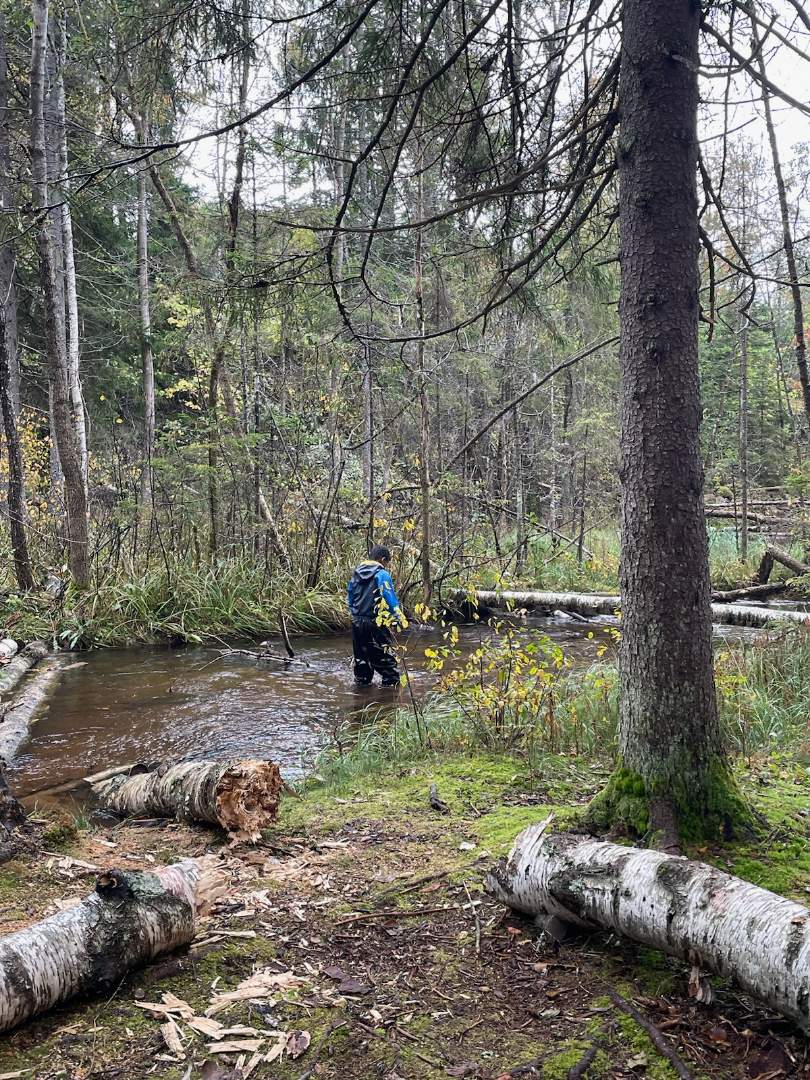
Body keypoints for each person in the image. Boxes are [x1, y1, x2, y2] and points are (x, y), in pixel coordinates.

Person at [347, 545, 408, 686]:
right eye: (387, 563)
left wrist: (355, 612)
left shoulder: (356, 572)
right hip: (375, 621)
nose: (387, 566)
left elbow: (350, 594)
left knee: (361, 659)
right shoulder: (382, 574)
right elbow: (389, 596)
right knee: (386, 660)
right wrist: (398, 618)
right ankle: (390, 695)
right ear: (382, 559)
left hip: (357, 621)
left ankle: (361, 692)